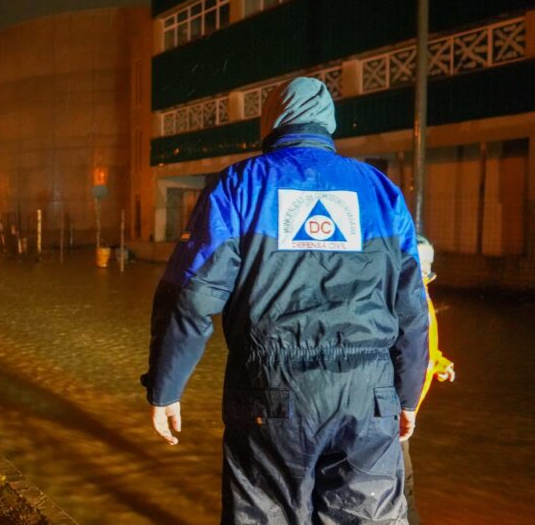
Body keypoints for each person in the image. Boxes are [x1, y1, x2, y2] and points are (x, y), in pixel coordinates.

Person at [141, 77, 429, 524]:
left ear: (270, 122)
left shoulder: (240, 185)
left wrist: (166, 386)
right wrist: (406, 395)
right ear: (328, 123)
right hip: (368, 396)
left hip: (270, 393)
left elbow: (191, 295)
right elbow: (411, 306)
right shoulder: (379, 190)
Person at [403, 235, 455, 524]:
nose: (425, 269)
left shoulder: (420, 293)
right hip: (394, 411)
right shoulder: (405, 296)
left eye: (428, 264)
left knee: (402, 484)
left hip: (405, 409)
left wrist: (439, 364)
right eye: (420, 262)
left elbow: (422, 348)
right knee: (403, 485)